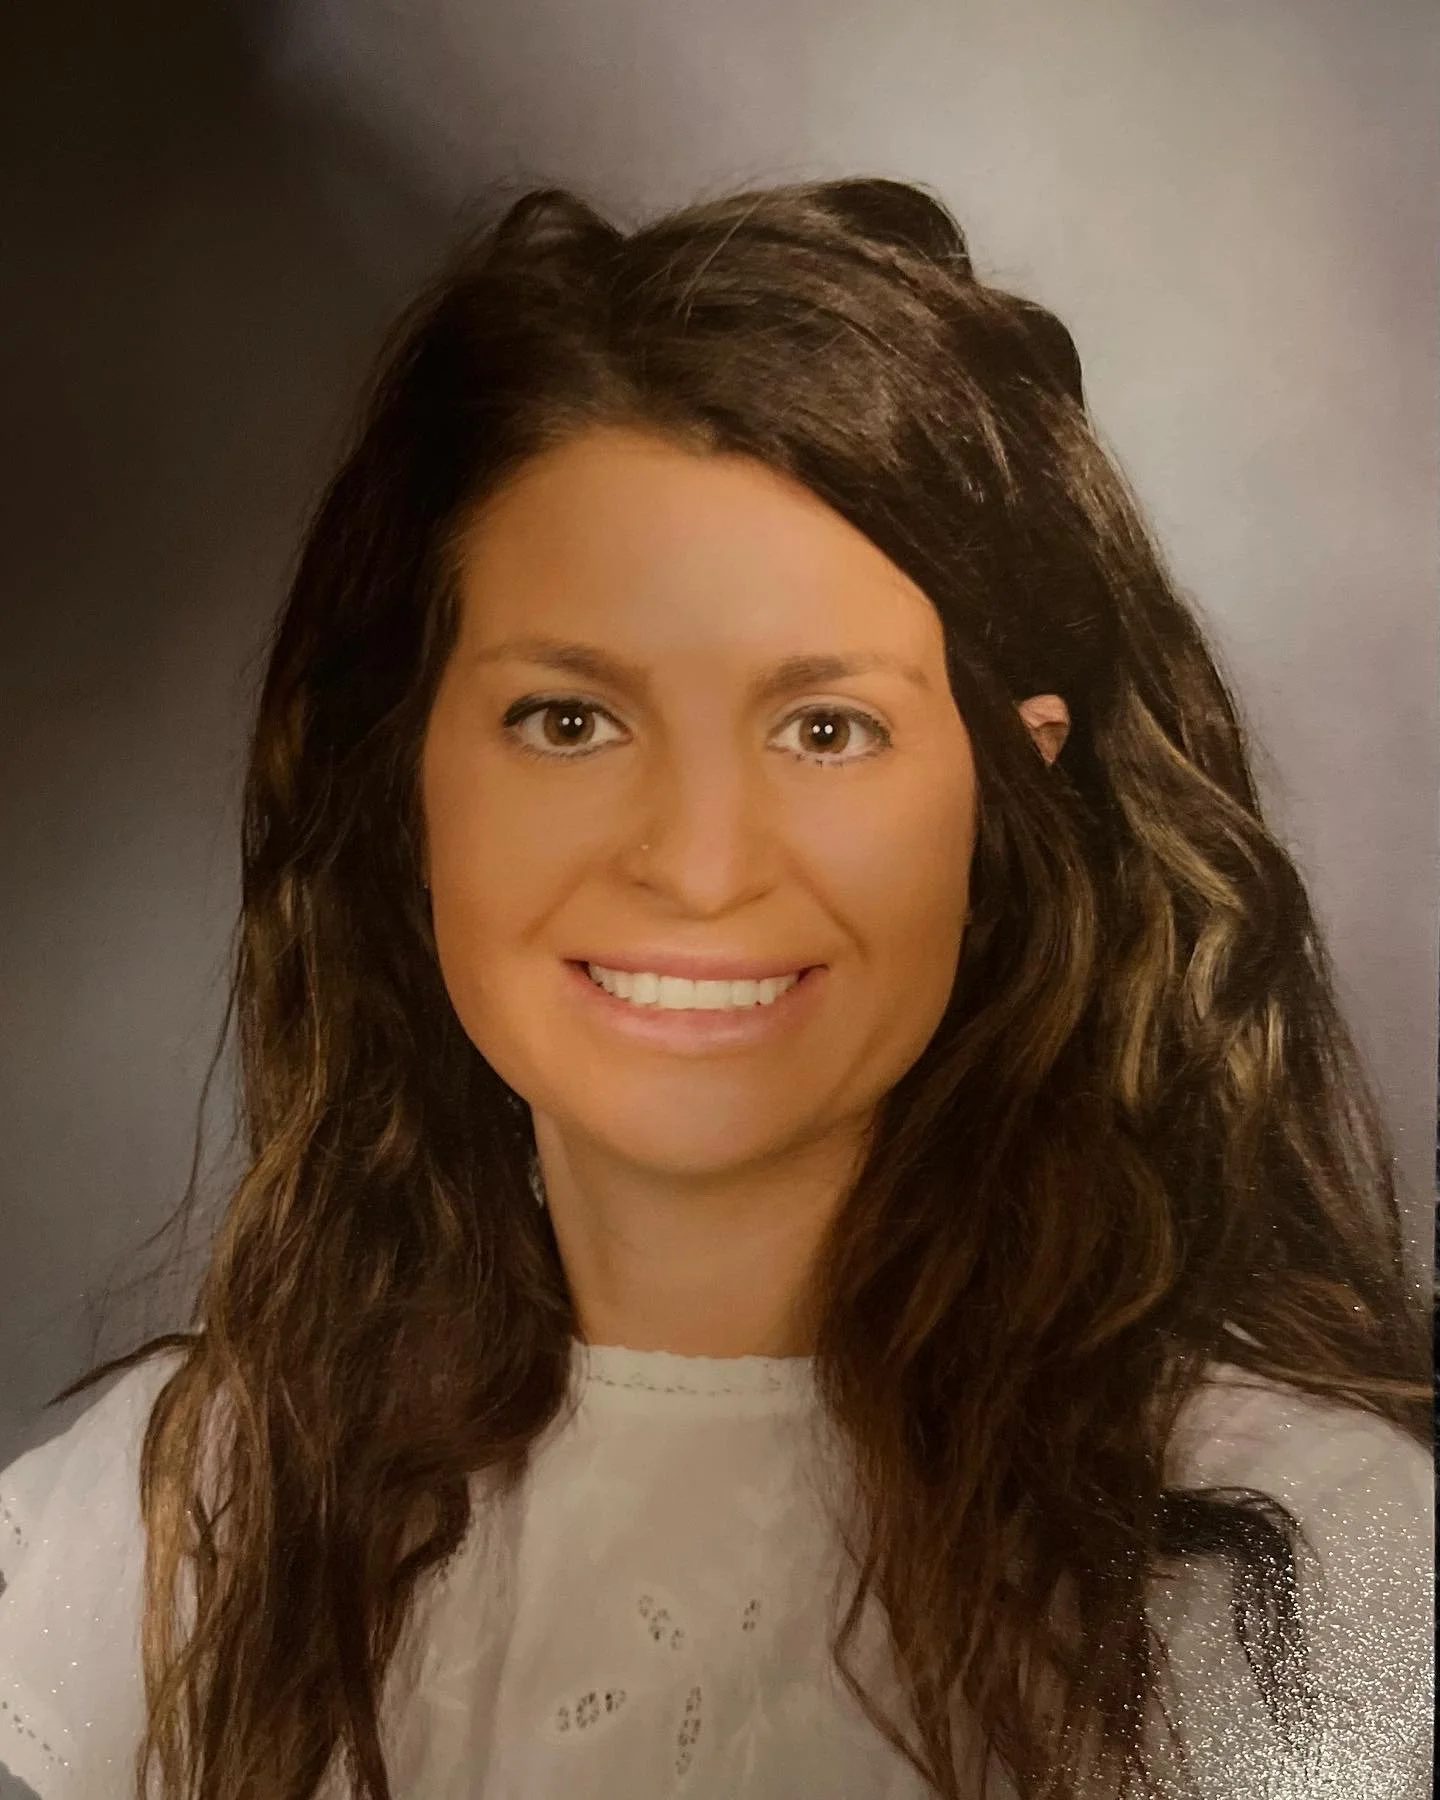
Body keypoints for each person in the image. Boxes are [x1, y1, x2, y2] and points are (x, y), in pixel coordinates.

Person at [0, 178, 1430, 1800]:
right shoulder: (161, 1535)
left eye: (826, 729)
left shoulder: (1313, 1573)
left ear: (1010, 809)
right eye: (568, 720)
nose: (696, 863)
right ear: (403, 787)